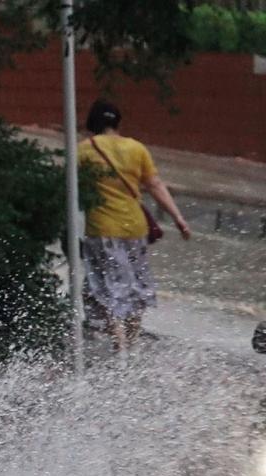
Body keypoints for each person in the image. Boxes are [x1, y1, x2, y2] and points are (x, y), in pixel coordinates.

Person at [79, 97, 192, 352]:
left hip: (102, 228)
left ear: (91, 122)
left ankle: (118, 342)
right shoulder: (136, 149)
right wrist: (178, 219)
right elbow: (155, 186)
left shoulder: (85, 150)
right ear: (118, 123)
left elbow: (70, 189)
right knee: (136, 286)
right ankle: (130, 343)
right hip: (135, 229)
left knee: (104, 286)